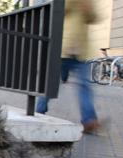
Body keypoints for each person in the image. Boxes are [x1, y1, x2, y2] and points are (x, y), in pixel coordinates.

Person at [36, 0, 101, 134]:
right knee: (51, 83)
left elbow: (94, 18)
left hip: (81, 51)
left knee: (85, 86)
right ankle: (39, 112)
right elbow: (56, 10)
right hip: (62, 48)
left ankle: (89, 120)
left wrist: (87, 8)